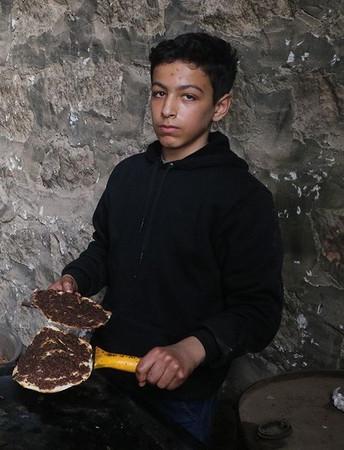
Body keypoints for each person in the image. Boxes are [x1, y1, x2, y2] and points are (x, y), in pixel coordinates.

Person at [48, 32, 283, 443]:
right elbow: (105, 247)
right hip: (105, 372)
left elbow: (259, 311)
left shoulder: (242, 198)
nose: (168, 110)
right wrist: (75, 280)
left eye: (188, 96)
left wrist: (191, 350)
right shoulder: (127, 176)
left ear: (220, 106)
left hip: (182, 399)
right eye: (159, 93)